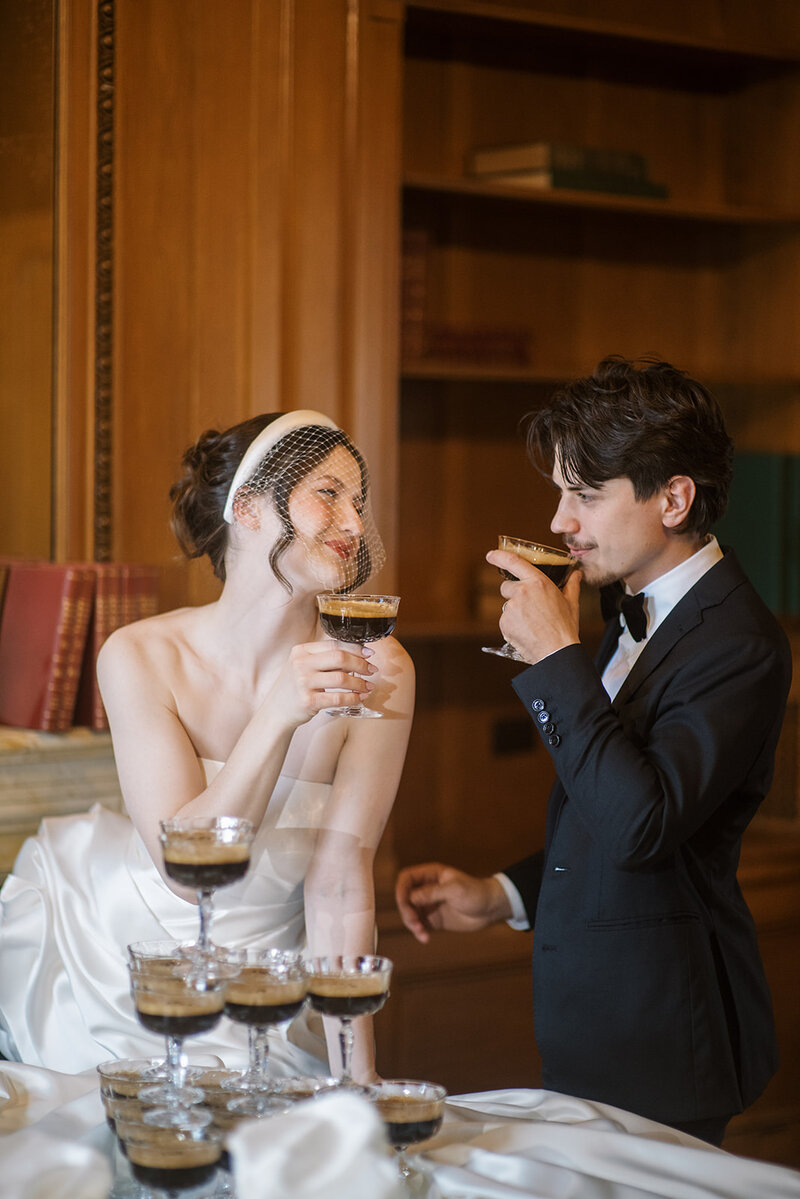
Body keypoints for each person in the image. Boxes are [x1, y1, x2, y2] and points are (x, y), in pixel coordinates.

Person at [395, 357, 792, 1146]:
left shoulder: (740, 642)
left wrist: (553, 658)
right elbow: (599, 799)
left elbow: (641, 826)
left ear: (673, 498)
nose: (558, 521)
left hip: (665, 1034)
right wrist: (500, 893)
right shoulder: (627, 608)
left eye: (584, 494)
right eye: (560, 493)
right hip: (590, 1026)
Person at [0, 409, 414, 1081]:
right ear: (248, 508)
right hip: (121, 960)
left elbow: (339, 882)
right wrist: (279, 713)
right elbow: (180, 867)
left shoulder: (380, 666)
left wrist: (356, 1079)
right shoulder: (139, 654)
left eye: (359, 503)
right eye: (328, 495)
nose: (355, 525)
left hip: (272, 980)